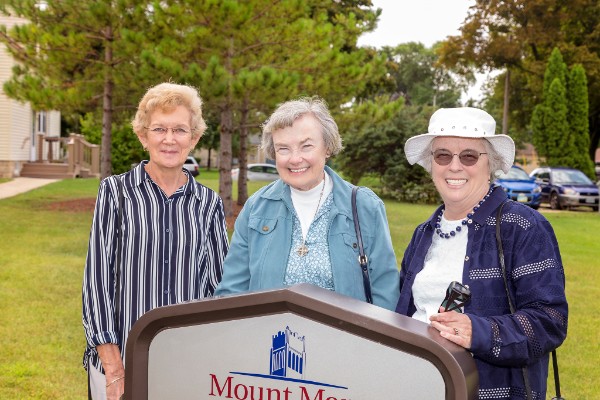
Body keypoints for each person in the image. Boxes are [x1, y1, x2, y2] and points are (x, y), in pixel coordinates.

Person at [395, 107, 568, 399]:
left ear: (491, 164)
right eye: (443, 155)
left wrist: (479, 331)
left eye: (469, 156)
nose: (454, 166)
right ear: (432, 163)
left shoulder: (523, 226)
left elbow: (550, 321)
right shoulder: (424, 233)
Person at [82, 82, 229, 400]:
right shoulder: (116, 193)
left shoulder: (208, 203)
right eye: (159, 128)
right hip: (121, 356)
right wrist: (113, 365)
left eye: (180, 129)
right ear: (142, 134)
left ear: (194, 137)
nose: (169, 139)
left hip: (185, 359)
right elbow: (97, 281)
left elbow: (220, 287)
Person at [215, 97, 399, 310]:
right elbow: (231, 291)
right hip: (271, 341)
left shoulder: (365, 207)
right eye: (283, 149)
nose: (295, 159)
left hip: (345, 340)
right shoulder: (256, 208)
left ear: (327, 148)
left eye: (306, 146)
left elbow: (385, 293)